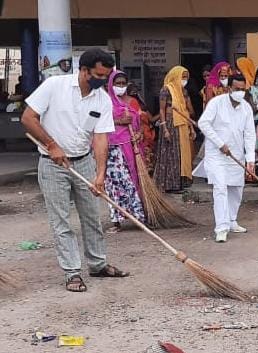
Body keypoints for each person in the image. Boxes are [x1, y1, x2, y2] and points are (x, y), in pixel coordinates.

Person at [21, 48, 130, 292]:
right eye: (99, 75)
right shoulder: (54, 86)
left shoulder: (101, 99)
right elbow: (28, 118)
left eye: (106, 76)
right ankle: (72, 272)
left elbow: (100, 137)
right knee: (61, 220)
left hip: (83, 161)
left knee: (92, 216)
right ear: (84, 70)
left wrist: (100, 174)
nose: (102, 80)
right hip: (52, 164)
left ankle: (98, 264)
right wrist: (51, 145)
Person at [197, 75, 256, 243]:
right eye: (236, 89)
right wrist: (219, 143)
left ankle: (231, 221)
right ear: (229, 88)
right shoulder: (216, 103)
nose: (240, 92)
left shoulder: (246, 108)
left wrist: (250, 159)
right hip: (217, 155)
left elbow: (250, 135)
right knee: (221, 188)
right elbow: (203, 123)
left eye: (242, 89)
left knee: (236, 189)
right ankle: (221, 228)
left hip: (236, 155)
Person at [104, 70, 146, 233]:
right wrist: (119, 121)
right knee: (115, 184)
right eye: (117, 84)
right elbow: (98, 122)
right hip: (113, 150)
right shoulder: (105, 102)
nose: (120, 87)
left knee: (133, 182)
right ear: (111, 84)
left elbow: (139, 123)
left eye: (123, 84)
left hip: (131, 146)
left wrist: (139, 133)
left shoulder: (132, 102)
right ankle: (117, 221)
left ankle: (139, 216)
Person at [154, 66, 196, 193]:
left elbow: (187, 111)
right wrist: (165, 128)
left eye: (186, 78)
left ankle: (181, 182)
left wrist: (191, 128)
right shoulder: (166, 90)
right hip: (170, 124)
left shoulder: (183, 92)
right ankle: (170, 184)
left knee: (182, 154)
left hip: (182, 124)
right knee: (171, 154)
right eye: (182, 77)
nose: (184, 80)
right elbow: (162, 110)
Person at [125, 82, 158, 169]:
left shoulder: (141, 106)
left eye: (135, 91)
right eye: (132, 91)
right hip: (137, 133)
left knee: (146, 157)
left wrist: (163, 113)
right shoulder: (126, 106)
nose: (134, 93)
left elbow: (151, 119)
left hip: (145, 133)